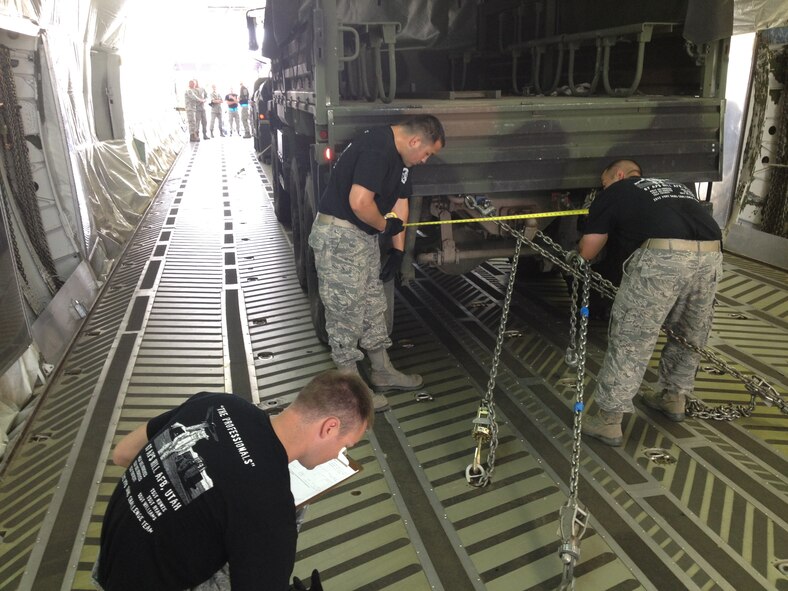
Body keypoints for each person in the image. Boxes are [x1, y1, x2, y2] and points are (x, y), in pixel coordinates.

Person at [94, 370, 373, 591]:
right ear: (329, 427)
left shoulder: (218, 403)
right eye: (344, 445)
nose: (339, 454)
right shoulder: (271, 509)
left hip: (109, 563)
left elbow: (122, 453)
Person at [576, 159, 723, 446]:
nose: (602, 187)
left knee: (632, 336)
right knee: (689, 333)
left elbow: (588, 249)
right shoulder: (674, 186)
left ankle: (609, 421)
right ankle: (674, 397)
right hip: (711, 254)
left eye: (603, 181)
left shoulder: (616, 191)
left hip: (664, 258)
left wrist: (578, 256)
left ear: (617, 175)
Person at [308, 115, 445, 411]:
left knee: (372, 303)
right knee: (346, 311)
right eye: (427, 153)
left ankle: (382, 371)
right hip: (340, 235)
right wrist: (385, 227)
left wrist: (398, 252)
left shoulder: (402, 159)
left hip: (362, 237)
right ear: (414, 141)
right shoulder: (377, 148)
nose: (425, 160)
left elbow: (400, 203)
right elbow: (360, 202)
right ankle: (350, 389)